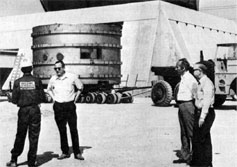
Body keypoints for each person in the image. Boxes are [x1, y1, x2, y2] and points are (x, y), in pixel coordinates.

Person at [6, 58, 45, 167]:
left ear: (22, 69)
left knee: (20, 135)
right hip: (34, 111)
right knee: (34, 137)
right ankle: (31, 162)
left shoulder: (17, 82)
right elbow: (42, 97)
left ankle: (14, 160)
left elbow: (14, 100)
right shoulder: (37, 81)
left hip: (23, 111)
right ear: (31, 69)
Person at [47, 60, 84, 160]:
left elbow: (80, 87)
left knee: (73, 129)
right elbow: (48, 89)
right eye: (55, 68)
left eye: (59, 68)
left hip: (69, 105)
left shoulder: (72, 77)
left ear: (64, 68)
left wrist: (75, 98)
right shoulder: (53, 78)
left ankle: (77, 152)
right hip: (58, 106)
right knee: (62, 130)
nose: (57, 70)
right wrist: (54, 99)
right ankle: (65, 152)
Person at [173, 58, 198, 164]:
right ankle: (185, 156)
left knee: (191, 132)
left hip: (188, 105)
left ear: (183, 68)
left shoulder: (190, 78)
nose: (176, 69)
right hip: (181, 105)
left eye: (177, 67)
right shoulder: (183, 78)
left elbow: (196, 94)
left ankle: (195, 158)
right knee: (183, 133)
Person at [191, 63, 215, 167]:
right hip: (200, 112)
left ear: (200, 71)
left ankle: (205, 163)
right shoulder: (200, 83)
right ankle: (201, 162)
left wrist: (202, 117)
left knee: (202, 138)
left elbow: (206, 101)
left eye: (195, 69)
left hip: (206, 113)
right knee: (201, 138)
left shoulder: (207, 83)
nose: (193, 71)